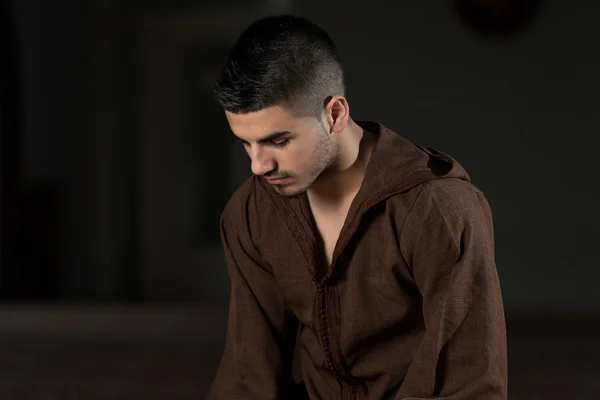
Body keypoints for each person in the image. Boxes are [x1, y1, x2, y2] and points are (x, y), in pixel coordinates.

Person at [206, 15, 507, 400]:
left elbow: (466, 381)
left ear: (334, 113)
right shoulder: (250, 211)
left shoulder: (439, 210)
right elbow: (250, 372)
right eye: (246, 144)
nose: (258, 165)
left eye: (278, 141)